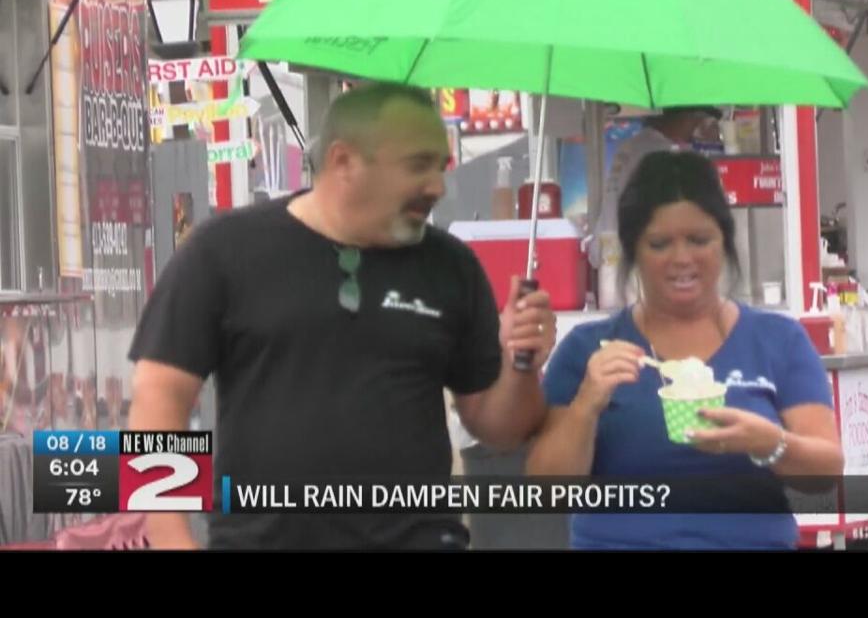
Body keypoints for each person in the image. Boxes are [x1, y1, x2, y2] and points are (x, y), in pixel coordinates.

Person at [128, 83, 557, 550]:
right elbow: (159, 396)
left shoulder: (451, 266)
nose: (437, 186)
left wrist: (521, 363)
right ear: (344, 161)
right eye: (417, 165)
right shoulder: (225, 251)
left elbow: (498, 429)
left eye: (441, 166)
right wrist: (171, 537)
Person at [527, 151, 842, 550]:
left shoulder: (778, 340)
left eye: (699, 240)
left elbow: (827, 472)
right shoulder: (588, 349)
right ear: (633, 249)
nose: (682, 258)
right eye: (660, 244)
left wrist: (769, 442)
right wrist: (586, 404)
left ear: (724, 240)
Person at [591, 107, 722, 307]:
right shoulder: (662, 154)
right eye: (701, 122)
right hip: (635, 267)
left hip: (611, 259)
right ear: (687, 118)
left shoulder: (634, 145)